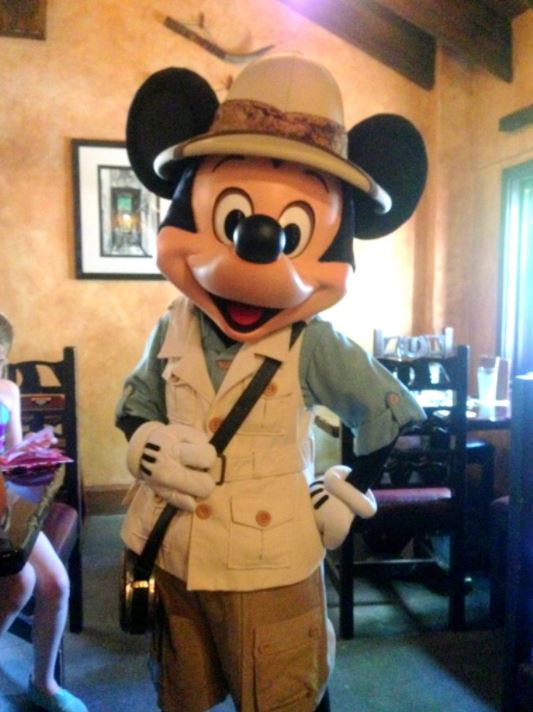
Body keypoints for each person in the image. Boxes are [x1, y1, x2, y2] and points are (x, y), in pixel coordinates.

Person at [117, 52, 428, 712]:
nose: (256, 245)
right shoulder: (173, 321)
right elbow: (136, 401)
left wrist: (349, 491)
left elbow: (389, 410)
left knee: (283, 694)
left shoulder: (313, 342)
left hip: (270, 566)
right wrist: (145, 441)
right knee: (183, 694)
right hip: (175, 555)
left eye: (292, 229)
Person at [0, 313, 87, 712]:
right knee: (20, 584)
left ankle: (43, 682)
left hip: (7, 510)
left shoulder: (7, 392)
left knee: (56, 584)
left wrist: (32, 451)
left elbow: (12, 457)